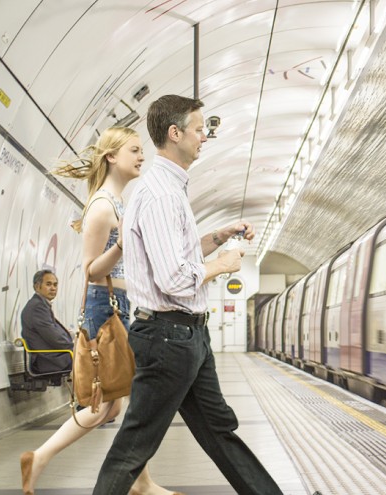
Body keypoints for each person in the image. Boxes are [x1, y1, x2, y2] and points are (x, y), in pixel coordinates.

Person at [93, 95, 287, 495]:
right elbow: (174, 279)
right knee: (133, 448)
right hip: (169, 337)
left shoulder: (171, 188)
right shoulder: (162, 194)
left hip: (186, 337)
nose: (204, 137)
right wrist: (222, 265)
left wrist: (219, 237)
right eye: (199, 130)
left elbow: (178, 257)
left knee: (219, 430)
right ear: (174, 133)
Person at [20, 127, 177, 495]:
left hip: (117, 307)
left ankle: (140, 482)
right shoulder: (104, 206)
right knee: (106, 404)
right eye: (134, 150)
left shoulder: (119, 202)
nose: (142, 156)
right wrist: (122, 245)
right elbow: (91, 269)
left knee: (113, 406)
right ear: (111, 156)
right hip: (102, 310)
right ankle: (41, 458)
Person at [20, 269, 73, 375]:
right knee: (93, 359)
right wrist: (75, 347)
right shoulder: (37, 306)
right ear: (37, 286)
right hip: (48, 361)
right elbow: (55, 338)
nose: (53, 288)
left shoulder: (40, 304)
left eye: (55, 285)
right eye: (48, 284)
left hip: (51, 358)